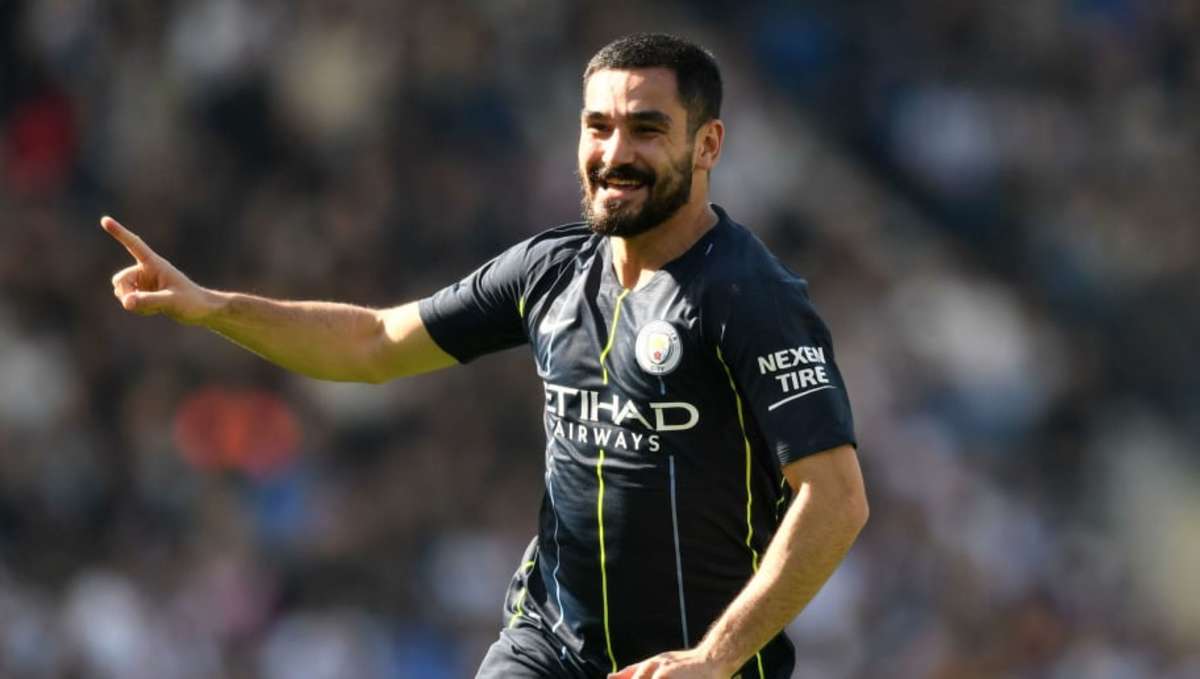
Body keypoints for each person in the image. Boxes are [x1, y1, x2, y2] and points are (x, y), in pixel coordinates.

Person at [104, 33, 867, 679]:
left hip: (700, 664)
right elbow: (374, 343)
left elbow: (835, 499)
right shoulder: (550, 270)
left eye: (646, 129)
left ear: (708, 145)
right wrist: (213, 307)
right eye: (597, 126)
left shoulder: (749, 295)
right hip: (549, 646)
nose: (614, 152)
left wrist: (714, 656)